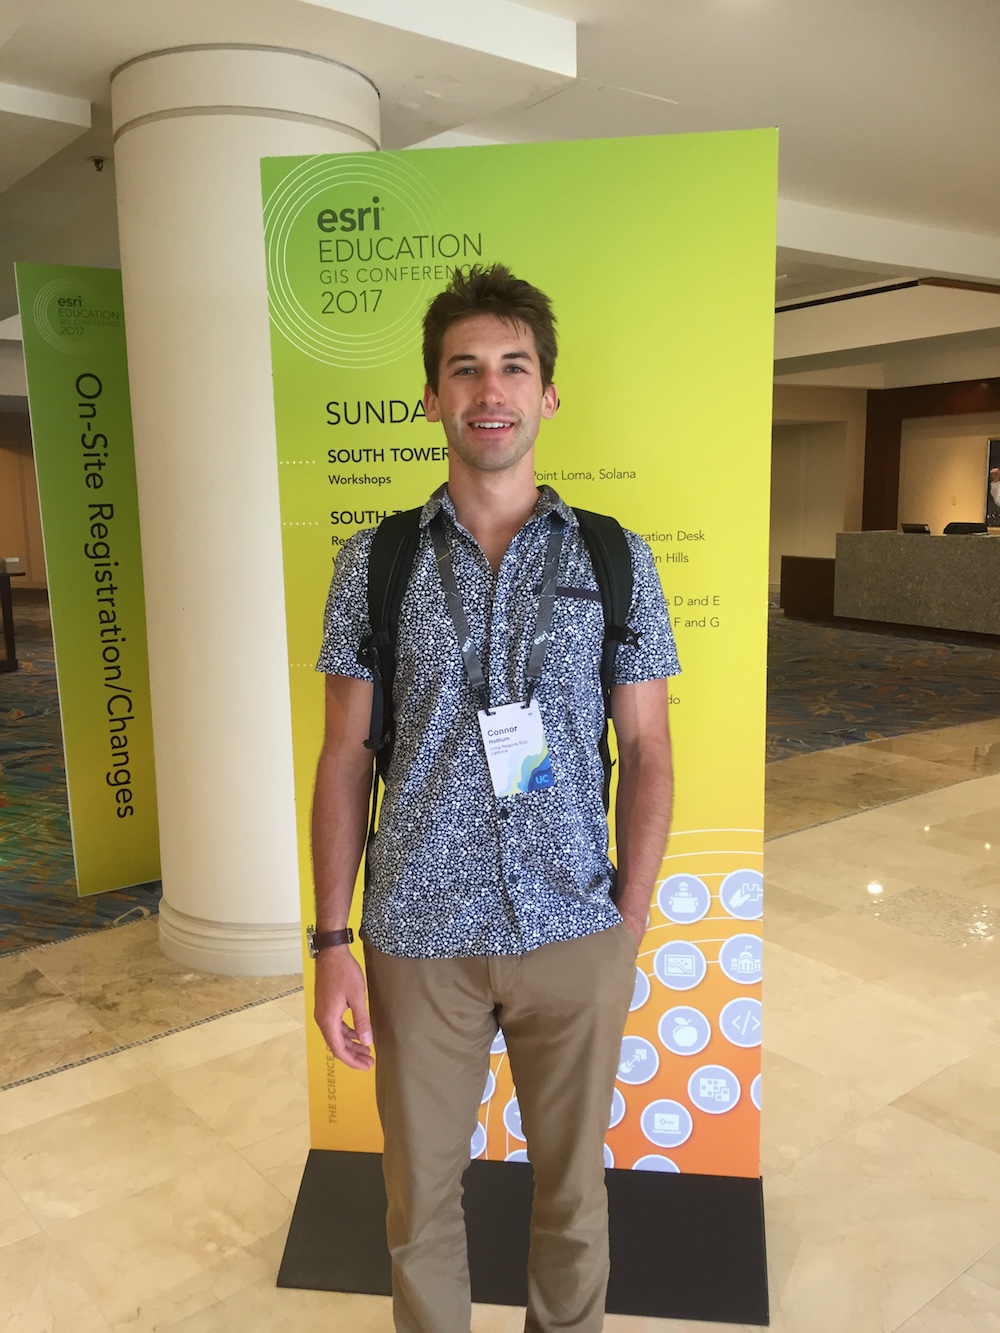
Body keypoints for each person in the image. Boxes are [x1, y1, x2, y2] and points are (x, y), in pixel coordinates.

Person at [311, 264, 679, 1333]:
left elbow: (648, 745)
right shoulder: (373, 563)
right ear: (430, 396)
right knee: (417, 1200)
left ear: (547, 394)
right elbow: (344, 757)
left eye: (513, 366)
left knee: (572, 1197)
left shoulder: (613, 557)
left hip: (574, 921)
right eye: (463, 368)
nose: (490, 390)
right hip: (418, 932)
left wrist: (631, 911)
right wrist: (332, 937)